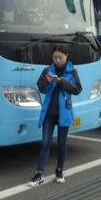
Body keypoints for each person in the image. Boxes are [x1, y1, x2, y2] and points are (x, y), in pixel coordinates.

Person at [27, 45, 82, 187]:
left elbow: (77, 89)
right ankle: (39, 173)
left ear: (66, 56)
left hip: (64, 112)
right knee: (45, 142)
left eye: (60, 58)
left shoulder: (72, 71)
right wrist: (49, 81)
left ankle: (60, 170)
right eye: (55, 57)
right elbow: (41, 87)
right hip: (49, 112)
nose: (57, 60)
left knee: (62, 143)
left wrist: (61, 81)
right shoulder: (47, 70)